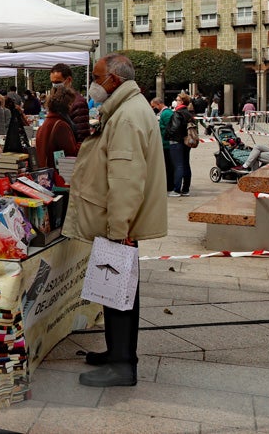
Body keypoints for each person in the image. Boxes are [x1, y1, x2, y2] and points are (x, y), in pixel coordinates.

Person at [63, 53, 167, 388]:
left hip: (119, 224)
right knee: (116, 291)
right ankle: (117, 352)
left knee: (120, 291)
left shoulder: (126, 117)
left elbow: (125, 179)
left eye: (96, 76)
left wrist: (118, 228)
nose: (92, 83)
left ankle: (123, 364)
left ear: (114, 80)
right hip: (118, 223)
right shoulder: (127, 109)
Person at [34, 86, 80, 169]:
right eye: (70, 104)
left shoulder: (45, 124)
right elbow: (71, 154)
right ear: (65, 105)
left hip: (46, 173)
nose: (71, 107)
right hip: (58, 175)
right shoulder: (61, 125)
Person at [49, 62, 91, 142]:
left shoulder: (78, 103)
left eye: (58, 82)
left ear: (68, 80)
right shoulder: (57, 99)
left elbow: (82, 136)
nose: (55, 85)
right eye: (53, 83)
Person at [166, 93, 195, 197]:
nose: (176, 101)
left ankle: (177, 189)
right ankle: (186, 189)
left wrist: (167, 134)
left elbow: (174, 128)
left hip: (176, 141)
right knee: (186, 164)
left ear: (182, 101)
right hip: (187, 141)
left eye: (177, 99)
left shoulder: (177, 113)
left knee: (178, 165)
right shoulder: (188, 113)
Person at [150, 97, 175, 193]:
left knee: (168, 166)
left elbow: (168, 129)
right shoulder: (164, 113)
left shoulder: (166, 113)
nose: (153, 108)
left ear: (158, 104)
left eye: (153, 106)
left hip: (166, 144)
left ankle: (170, 186)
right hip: (164, 143)